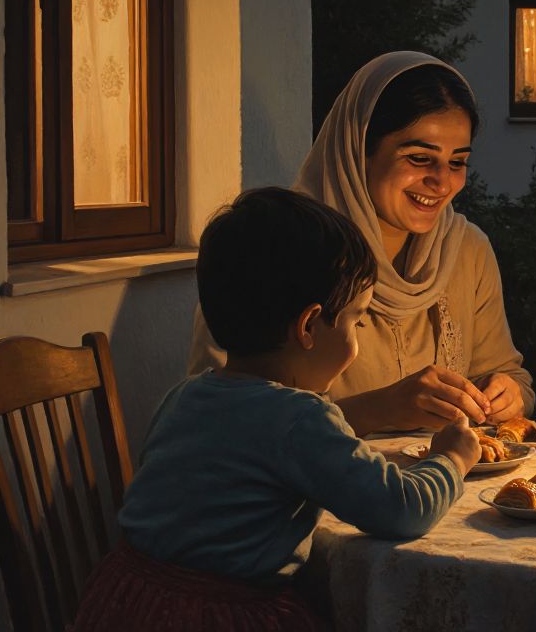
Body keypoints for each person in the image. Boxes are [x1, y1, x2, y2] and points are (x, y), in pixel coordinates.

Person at [73, 187, 480, 631]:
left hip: (127, 602)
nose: (357, 339)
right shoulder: (300, 419)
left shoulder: (185, 396)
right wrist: (452, 458)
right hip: (222, 615)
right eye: (356, 320)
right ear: (309, 325)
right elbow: (400, 509)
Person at [189, 53, 533, 435]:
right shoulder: (280, 245)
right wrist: (374, 411)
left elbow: (507, 372)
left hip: (441, 486)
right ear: (358, 151)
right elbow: (222, 423)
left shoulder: (466, 250)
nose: (441, 182)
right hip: (312, 492)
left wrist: (507, 393)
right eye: (419, 158)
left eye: (457, 163)